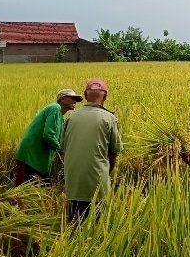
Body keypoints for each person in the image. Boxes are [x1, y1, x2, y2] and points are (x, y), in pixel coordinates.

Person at [61, 79, 123, 223]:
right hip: (97, 183)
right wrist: (105, 175)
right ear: (105, 97)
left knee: (75, 224)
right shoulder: (109, 118)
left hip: (73, 183)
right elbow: (113, 154)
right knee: (96, 226)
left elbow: (64, 150)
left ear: (85, 95)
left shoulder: (71, 117)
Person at [13, 88, 83, 186]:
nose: (75, 101)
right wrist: (63, 151)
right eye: (72, 98)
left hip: (39, 158)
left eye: (76, 99)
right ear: (62, 99)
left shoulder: (62, 119)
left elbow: (58, 140)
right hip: (30, 155)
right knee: (22, 190)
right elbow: (48, 135)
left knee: (40, 189)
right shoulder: (55, 108)